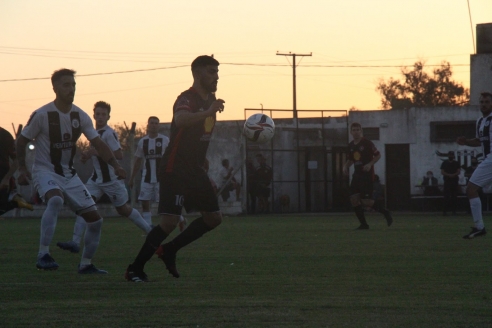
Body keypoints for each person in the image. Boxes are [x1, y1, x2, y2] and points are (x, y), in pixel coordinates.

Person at [125, 55, 225, 282]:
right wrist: (208, 112)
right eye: (212, 71)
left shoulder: (210, 98)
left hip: (195, 169)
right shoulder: (186, 98)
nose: (216, 76)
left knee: (214, 218)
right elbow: (181, 120)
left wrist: (203, 159)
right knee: (169, 222)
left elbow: (201, 135)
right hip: (175, 168)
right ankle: (135, 269)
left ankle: (169, 250)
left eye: (217, 72)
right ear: (198, 74)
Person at [16, 68, 126, 273]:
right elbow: (21, 141)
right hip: (45, 170)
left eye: (73, 85)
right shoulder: (42, 115)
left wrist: (116, 165)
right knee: (56, 199)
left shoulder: (80, 115)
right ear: (55, 88)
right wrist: (22, 168)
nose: (71, 89)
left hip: (69, 174)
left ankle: (86, 264)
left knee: (96, 221)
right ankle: (43, 254)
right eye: (66, 85)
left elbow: (98, 143)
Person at [56, 101, 152, 254]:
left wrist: (94, 153)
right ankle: (74, 241)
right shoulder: (93, 133)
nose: (100, 117)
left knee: (124, 210)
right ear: (93, 115)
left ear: (108, 117)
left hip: (111, 181)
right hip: (96, 180)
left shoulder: (109, 133)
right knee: (84, 206)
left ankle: (150, 232)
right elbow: (96, 154)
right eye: (98, 114)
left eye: (103, 114)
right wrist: (87, 156)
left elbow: (119, 155)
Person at [129, 116, 186, 231]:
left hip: (162, 178)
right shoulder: (142, 142)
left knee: (165, 204)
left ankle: (180, 218)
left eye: (156, 123)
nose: (154, 125)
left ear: (158, 126)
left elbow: (172, 157)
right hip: (147, 177)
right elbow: (138, 161)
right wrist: (132, 178)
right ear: (148, 125)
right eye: (152, 123)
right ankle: (149, 228)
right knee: (145, 202)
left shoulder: (165, 140)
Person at [343, 122, 393, 229]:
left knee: (367, 202)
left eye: (358, 130)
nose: (356, 132)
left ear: (361, 131)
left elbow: (378, 155)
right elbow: (351, 159)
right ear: (351, 132)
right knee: (354, 200)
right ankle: (364, 224)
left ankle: (385, 212)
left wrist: (370, 164)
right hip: (356, 175)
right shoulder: (351, 145)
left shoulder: (367, 143)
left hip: (366, 176)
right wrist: (345, 166)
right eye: (354, 130)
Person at [457, 92, 492, 239]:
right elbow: (479, 141)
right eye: (482, 102)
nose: (483, 104)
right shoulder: (480, 121)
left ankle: (479, 227)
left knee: (471, 189)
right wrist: (466, 142)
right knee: (478, 189)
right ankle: (479, 227)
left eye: (487, 102)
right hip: (487, 159)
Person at [0, 127, 33, 216]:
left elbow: (17, 158)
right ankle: (15, 202)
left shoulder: (4, 135)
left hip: (2, 174)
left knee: (1, 207)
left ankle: (15, 203)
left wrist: (7, 178)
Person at [440, 151, 461, 216]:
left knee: (454, 197)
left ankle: (454, 211)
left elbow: (458, 171)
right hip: (447, 181)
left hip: (454, 181)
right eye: (450, 155)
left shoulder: (456, 163)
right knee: (446, 197)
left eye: (452, 155)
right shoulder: (444, 163)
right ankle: (445, 211)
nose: (451, 156)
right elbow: (442, 171)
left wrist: (453, 175)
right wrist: (449, 175)